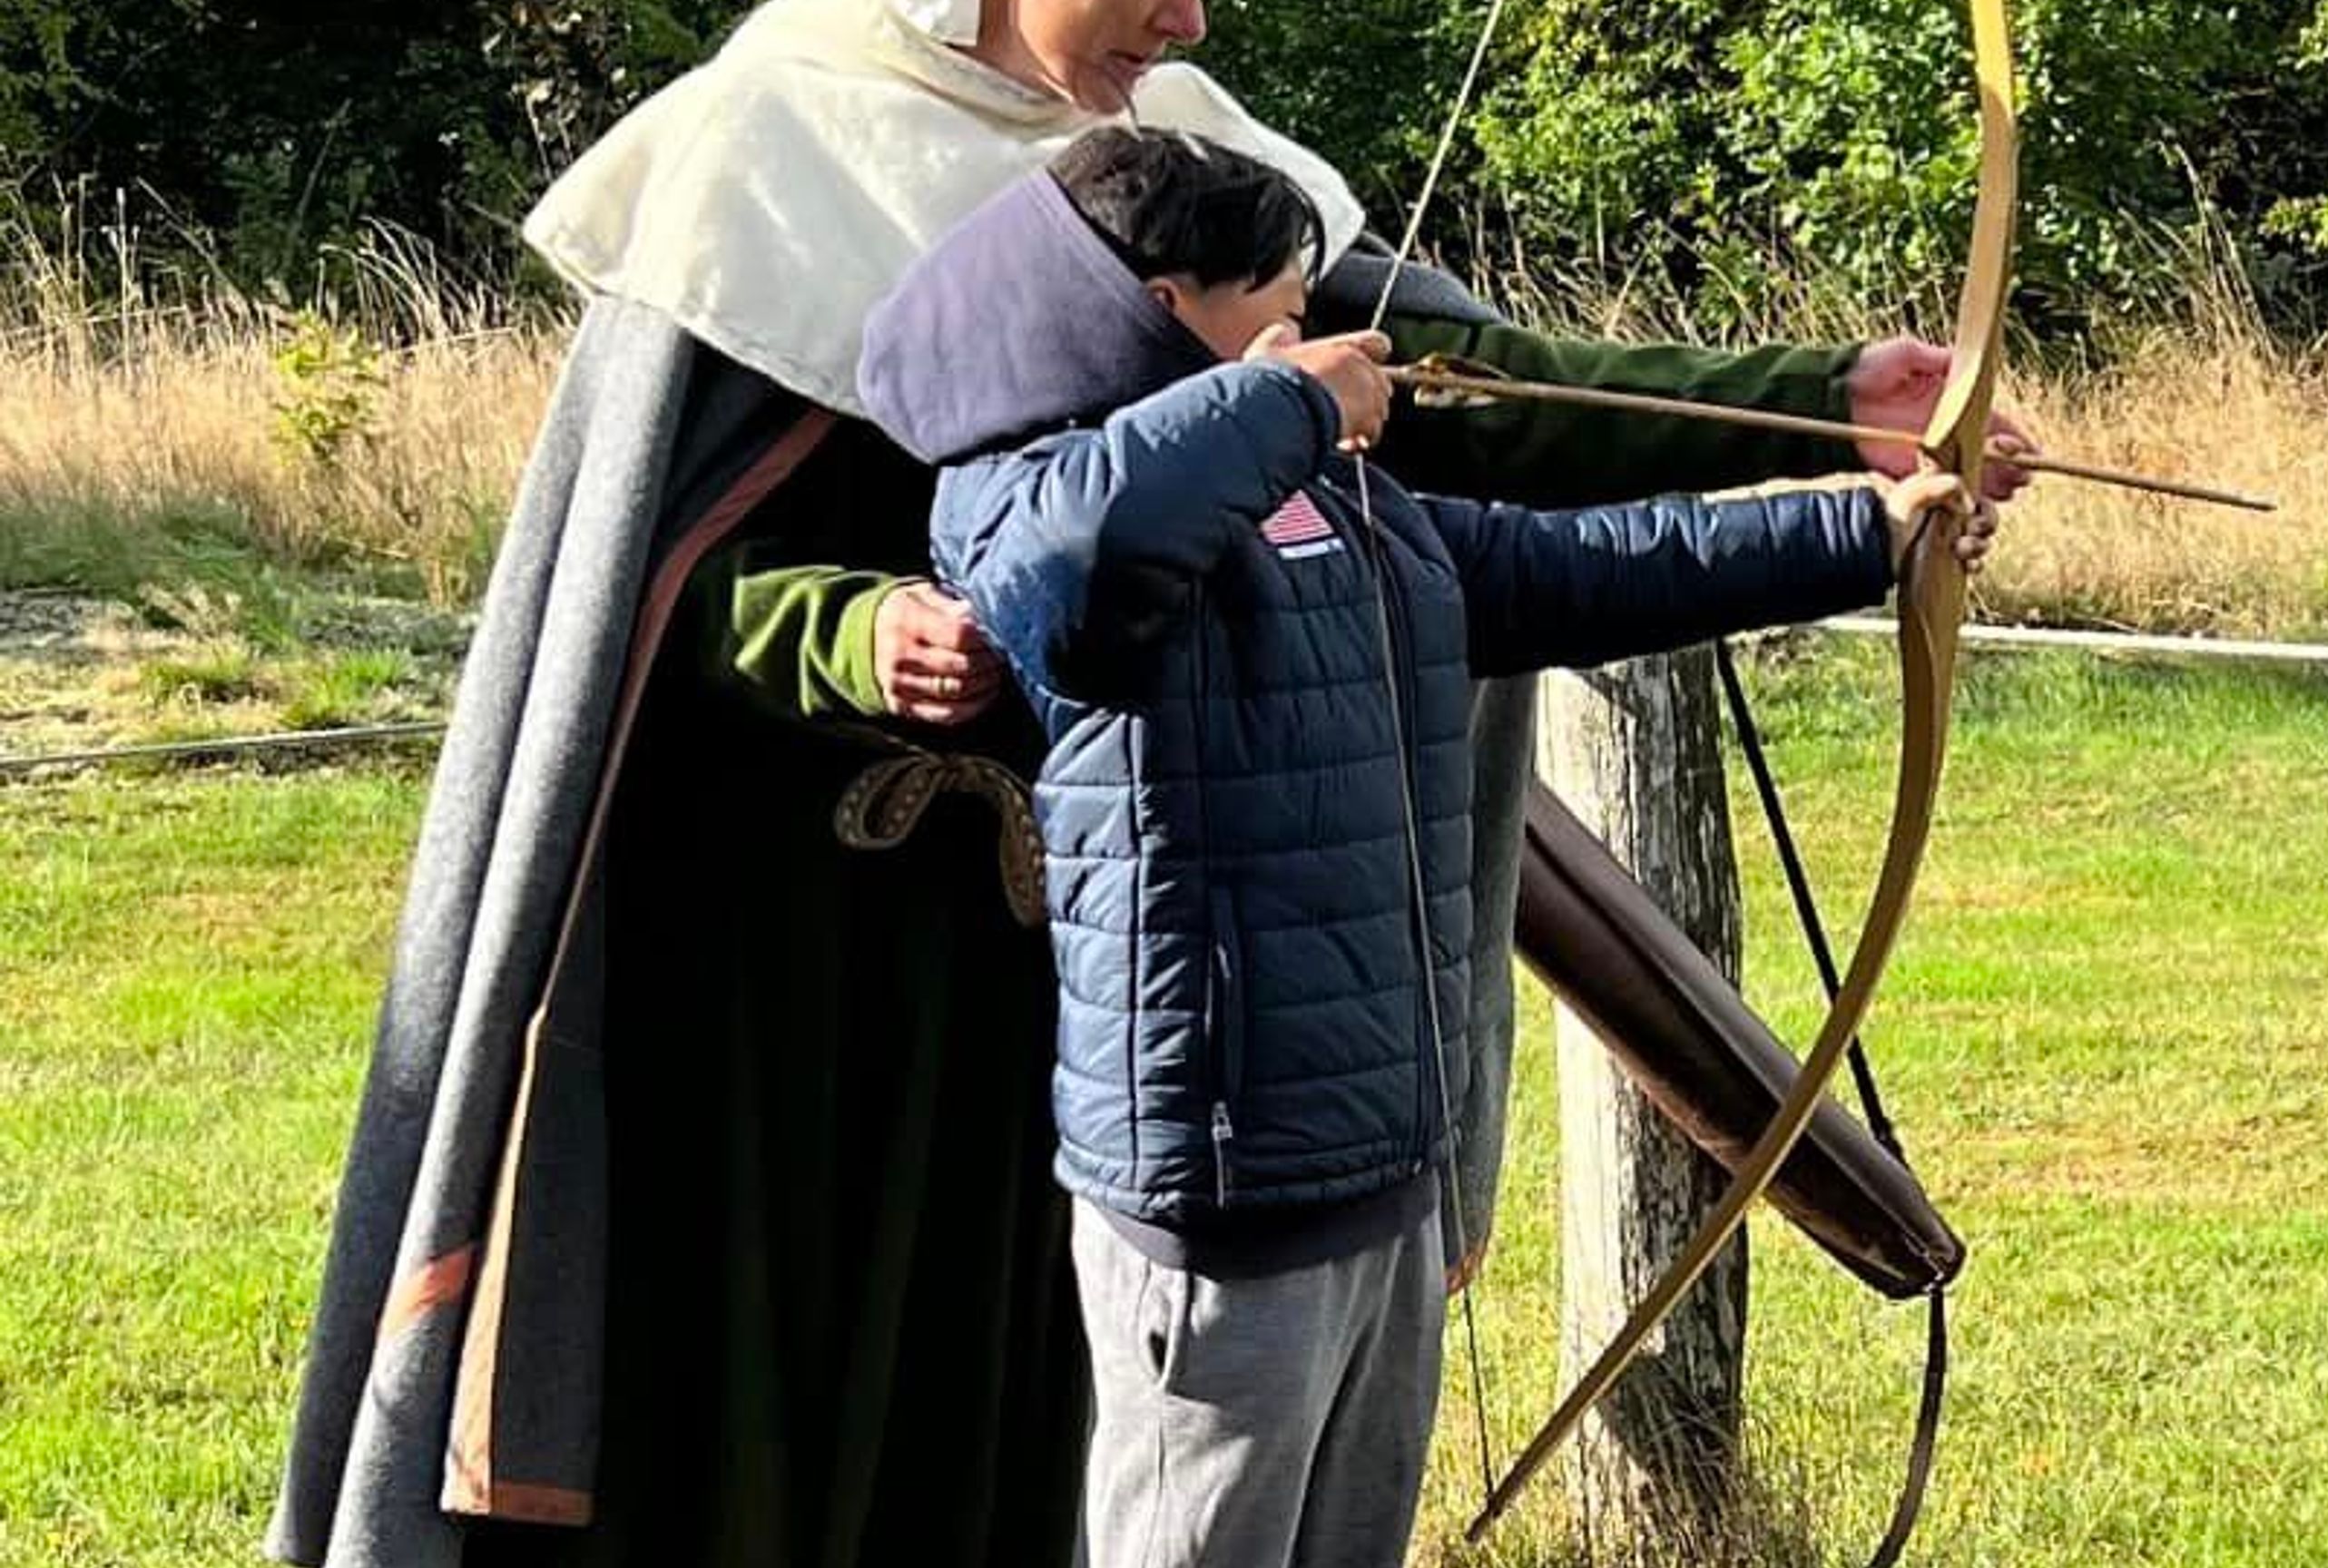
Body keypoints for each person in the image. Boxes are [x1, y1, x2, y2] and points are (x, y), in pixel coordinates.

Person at [265, 4, 2032, 1566]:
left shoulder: (1203, 184)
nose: (1187, 17)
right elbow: (656, 586)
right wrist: (849, 635)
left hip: (1172, 984)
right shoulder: (776, 153)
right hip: (807, 977)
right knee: (800, 1404)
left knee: (1081, 1433)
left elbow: (1478, 412)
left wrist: (1826, 418)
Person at [856, 128, 1996, 1568]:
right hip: (1219, 1183)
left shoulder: (1329, 494)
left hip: (1382, 1164)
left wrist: (1862, 532)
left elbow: (1560, 572)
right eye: (1267, 310)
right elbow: (1083, 574)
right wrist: (1283, 402)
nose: (1306, 337)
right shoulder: (1018, 493)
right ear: (1153, 307)